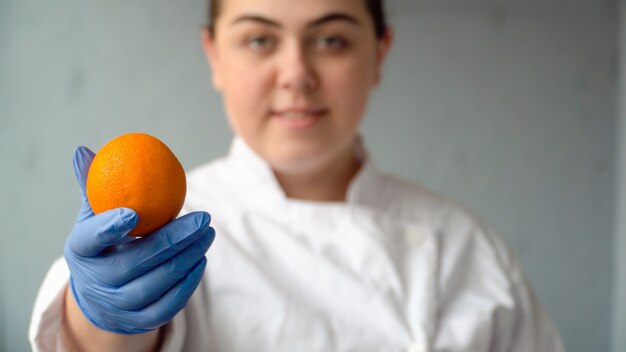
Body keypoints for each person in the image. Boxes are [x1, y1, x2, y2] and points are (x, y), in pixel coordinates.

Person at [29, 0, 565, 351]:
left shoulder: (466, 251)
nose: (297, 76)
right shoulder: (166, 235)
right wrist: (101, 311)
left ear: (379, 53)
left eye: (330, 40)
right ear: (213, 54)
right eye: (260, 40)